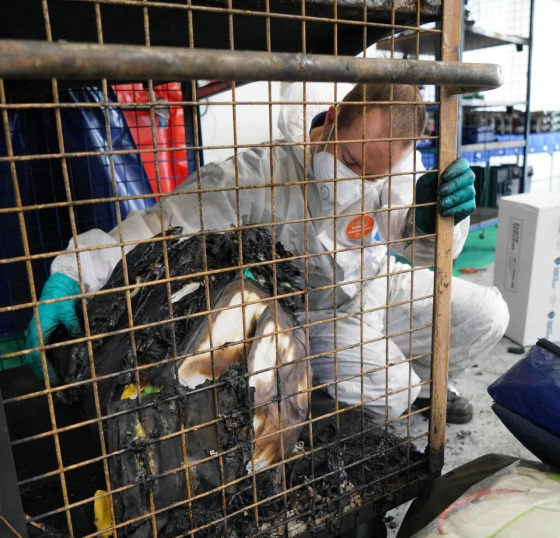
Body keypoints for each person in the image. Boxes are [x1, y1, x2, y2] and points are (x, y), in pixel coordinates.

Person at [26, 82, 509, 424]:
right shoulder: (263, 173)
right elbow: (162, 224)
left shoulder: (391, 162)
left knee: (487, 313)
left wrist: (435, 216)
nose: (356, 183)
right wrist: (74, 271)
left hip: (377, 285)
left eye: (371, 176)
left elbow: (416, 243)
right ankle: (307, 408)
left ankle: (425, 386)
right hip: (312, 315)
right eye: (349, 163)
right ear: (335, 116)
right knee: (391, 392)